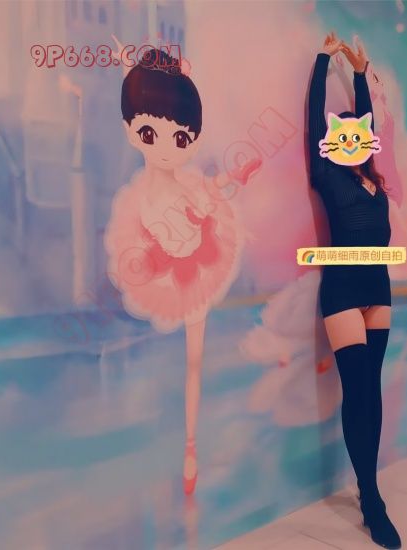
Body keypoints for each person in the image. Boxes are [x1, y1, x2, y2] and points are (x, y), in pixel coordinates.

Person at [105, 48, 248, 495]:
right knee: (184, 361)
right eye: (150, 133)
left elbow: (209, 191)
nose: (167, 148)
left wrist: (234, 177)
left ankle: (189, 444)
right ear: (131, 132)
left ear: (193, 139)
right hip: (168, 272)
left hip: (200, 263)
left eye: (181, 138)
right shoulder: (142, 200)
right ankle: (164, 441)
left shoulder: (188, 185)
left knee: (194, 361)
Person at [308, 31, 401, 549]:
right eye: (342, 137)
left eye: (358, 136)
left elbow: (368, 122)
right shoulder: (328, 176)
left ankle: (368, 486)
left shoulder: (374, 182)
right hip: (343, 288)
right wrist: (324, 60)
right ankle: (372, 499)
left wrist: (361, 73)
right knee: (356, 390)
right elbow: (313, 120)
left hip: (378, 287)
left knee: (374, 389)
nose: (352, 142)